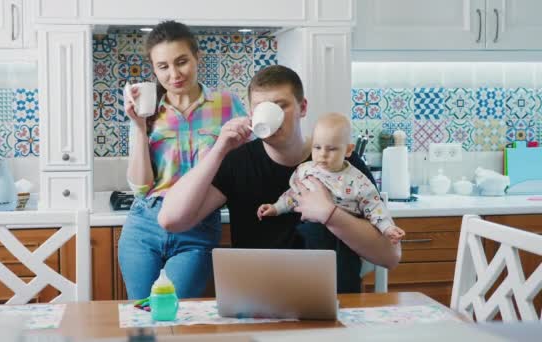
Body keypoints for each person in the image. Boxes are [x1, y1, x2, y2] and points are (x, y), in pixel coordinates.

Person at [159, 65, 401, 292]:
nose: (272, 114)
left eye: (281, 105)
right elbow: (171, 220)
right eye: (262, 108)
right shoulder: (237, 161)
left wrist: (330, 214)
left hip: (331, 298)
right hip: (257, 298)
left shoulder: (343, 164)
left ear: (302, 108)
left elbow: (390, 256)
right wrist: (220, 148)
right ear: (253, 115)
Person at [118, 20, 247, 299]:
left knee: (176, 312)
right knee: (140, 316)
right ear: (154, 70)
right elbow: (140, 187)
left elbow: (247, 165)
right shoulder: (147, 111)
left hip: (197, 228)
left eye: (181, 62)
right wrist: (139, 126)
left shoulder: (227, 104)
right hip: (144, 224)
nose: (174, 74)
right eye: (163, 67)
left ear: (197, 57)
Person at [257, 113, 405, 245]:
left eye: (332, 149)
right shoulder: (305, 170)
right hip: (310, 231)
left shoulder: (358, 179)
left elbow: (374, 206)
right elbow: (294, 194)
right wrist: (276, 208)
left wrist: (387, 227)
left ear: (348, 150)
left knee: (341, 268)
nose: (323, 154)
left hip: (345, 237)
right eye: (317, 147)